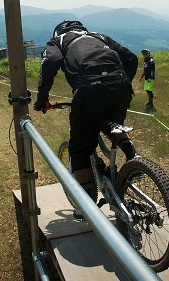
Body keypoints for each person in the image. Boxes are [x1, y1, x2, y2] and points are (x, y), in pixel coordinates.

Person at [33, 20, 139, 217]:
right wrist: (122, 82)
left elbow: (50, 62)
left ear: (60, 31)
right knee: (112, 125)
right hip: (120, 85)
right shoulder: (98, 36)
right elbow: (131, 58)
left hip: (90, 89)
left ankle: (87, 210)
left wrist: (42, 99)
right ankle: (133, 157)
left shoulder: (59, 40)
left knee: (80, 151)